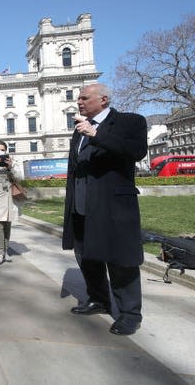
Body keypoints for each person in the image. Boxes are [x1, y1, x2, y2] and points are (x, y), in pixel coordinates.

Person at [62, 83, 147, 336]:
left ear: (104, 99)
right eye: (78, 98)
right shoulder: (79, 131)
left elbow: (136, 151)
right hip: (82, 206)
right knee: (87, 256)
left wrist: (96, 134)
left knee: (120, 260)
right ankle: (99, 299)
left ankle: (130, 314)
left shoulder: (129, 121)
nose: (79, 102)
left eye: (84, 98)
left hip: (113, 206)